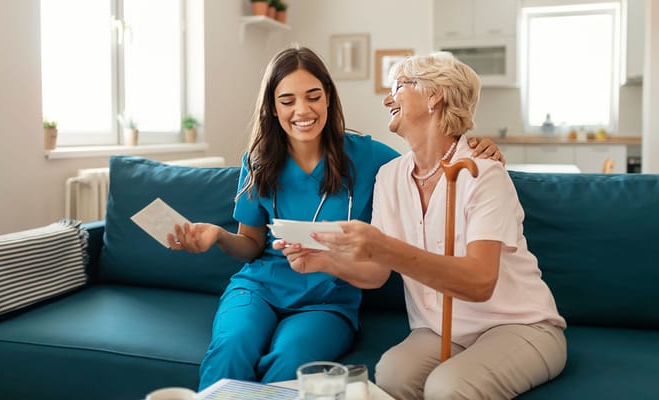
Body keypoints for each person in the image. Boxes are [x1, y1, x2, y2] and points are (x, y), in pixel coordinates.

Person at [167, 46, 504, 391]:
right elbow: (251, 245)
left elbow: (431, 158)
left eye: (313, 96)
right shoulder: (258, 160)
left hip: (327, 300)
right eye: (287, 101)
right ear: (272, 107)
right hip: (259, 288)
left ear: (328, 97)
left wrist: (475, 145)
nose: (302, 110)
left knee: (290, 360)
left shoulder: (370, 157)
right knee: (231, 348)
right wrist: (218, 236)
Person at [277, 52, 567, 400]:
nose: (387, 98)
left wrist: (384, 246)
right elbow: (376, 272)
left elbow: (479, 282)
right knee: (392, 374)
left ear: (434, 96)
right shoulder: (390, 176)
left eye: (398, 86)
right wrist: (323, 261)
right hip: (439, 330)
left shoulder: (482, 173)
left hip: (517, 325)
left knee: (448, 388)